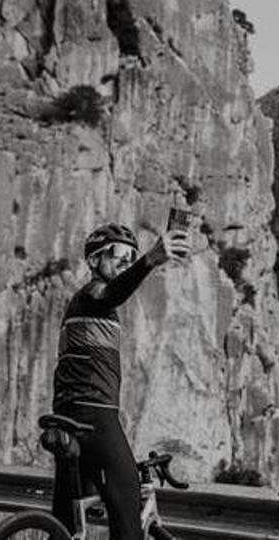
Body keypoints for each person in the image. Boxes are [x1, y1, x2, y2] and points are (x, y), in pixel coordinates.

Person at [51, 222, 191, 539]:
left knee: (66, 526)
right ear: (92, 261)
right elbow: (111, 293)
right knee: (127, 500)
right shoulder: (92, 295)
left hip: (67, 418)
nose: (125, 261)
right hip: (94, 415)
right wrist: (150, 259)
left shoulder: (87, 306)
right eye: (118, 254)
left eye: (131, 256)